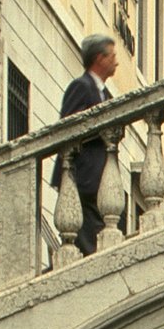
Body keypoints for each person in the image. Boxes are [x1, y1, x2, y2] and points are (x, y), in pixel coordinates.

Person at [50, 34, 127, 255]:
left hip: (100, 182)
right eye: (112, 56)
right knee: (88, 247)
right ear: (99, 58)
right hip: (84, 180)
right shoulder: (81, 87)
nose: (116, 61)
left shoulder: (105, 93)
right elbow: (68, 127)